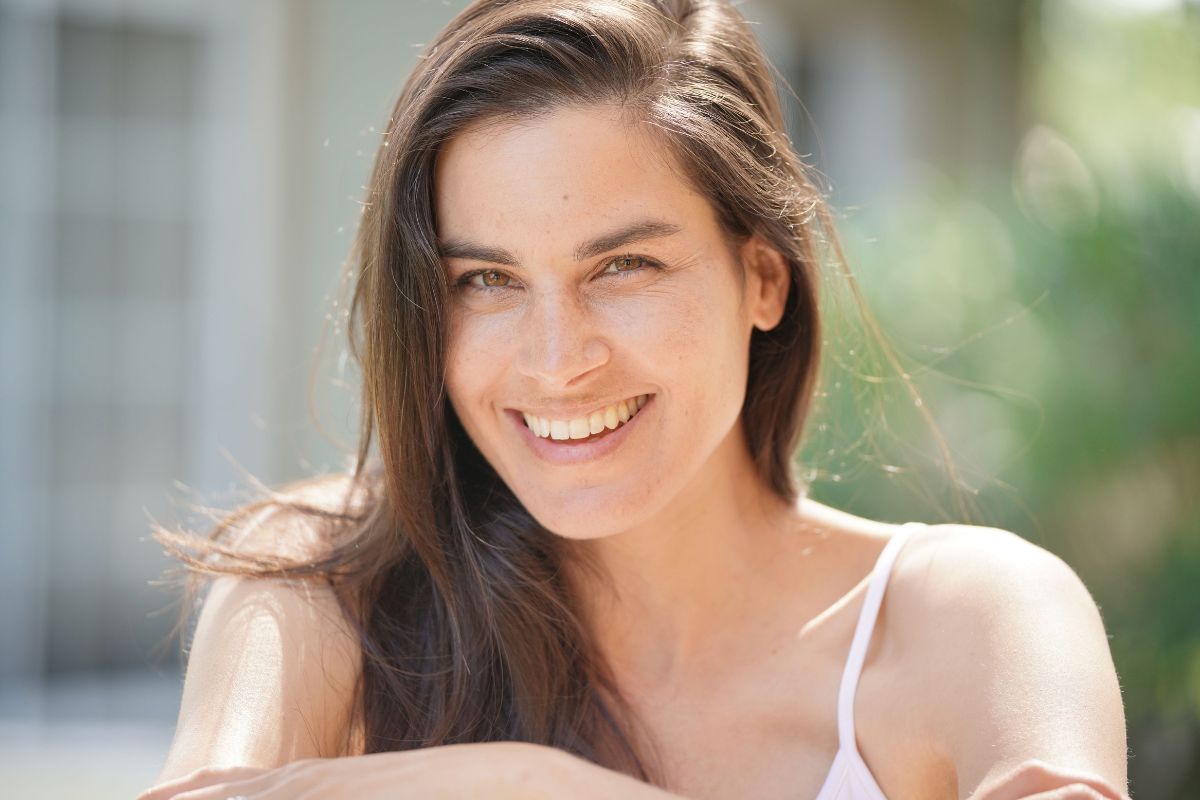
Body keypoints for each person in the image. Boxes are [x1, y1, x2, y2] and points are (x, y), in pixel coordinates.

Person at [138, 1, 1130, 798]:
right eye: (485, 279)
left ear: (765, 278)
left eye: (623, 264)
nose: (559, 358)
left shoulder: (969, 616)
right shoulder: (324, 589)